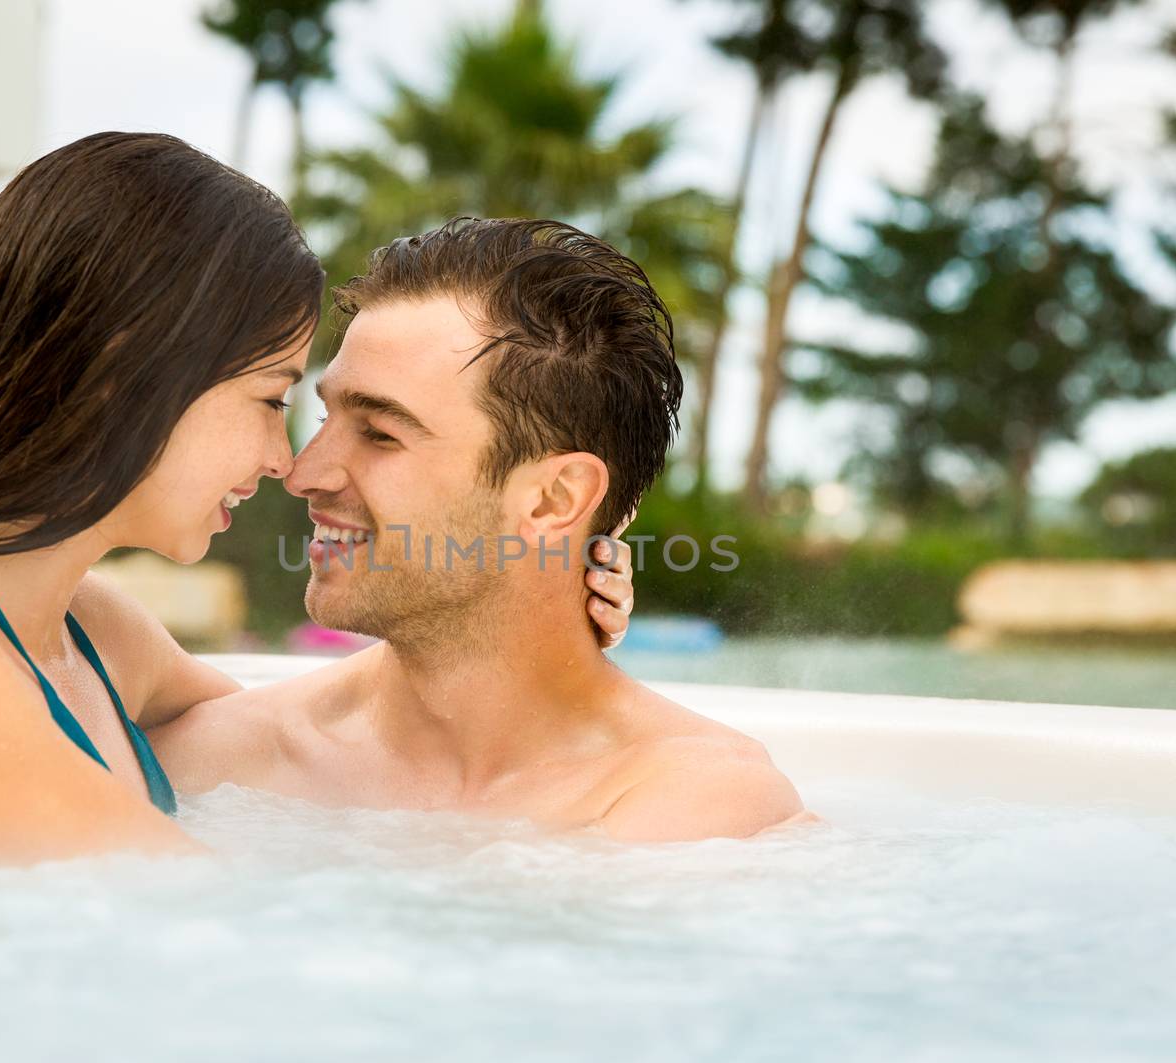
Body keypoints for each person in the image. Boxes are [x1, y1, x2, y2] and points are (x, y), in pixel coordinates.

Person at [0, 134, 633, 861]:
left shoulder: (90, 632)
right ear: (125, 377)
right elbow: (197, 931)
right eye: (272, 400)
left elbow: (312, 742)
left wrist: (526, 591)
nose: (286, 461)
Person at [153, 218, 806, 842]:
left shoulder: (701, 810)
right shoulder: (218, 763)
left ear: (554, 498)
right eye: (323, 417)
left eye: (380, 433)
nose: (304, 474)